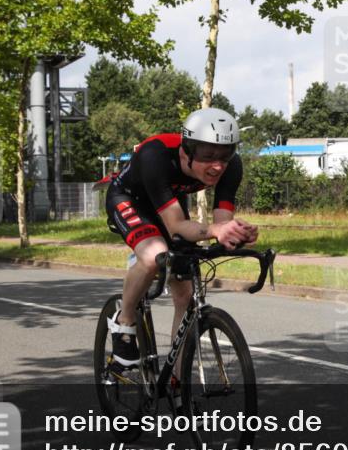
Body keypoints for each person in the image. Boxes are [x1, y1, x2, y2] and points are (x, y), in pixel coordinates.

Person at [104, 108, 258, 369]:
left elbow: (220, 224)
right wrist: (213, 231)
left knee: (185, 296)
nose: (217, 165)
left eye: (225, 155)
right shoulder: (156, 156)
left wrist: (235, 233)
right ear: (186, 151)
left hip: (169, 203)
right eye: (207, 156)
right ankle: (125, 321)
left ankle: (177, 383)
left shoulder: (232, 167)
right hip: (130, 200)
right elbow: (176, 225)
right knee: (154, 256)